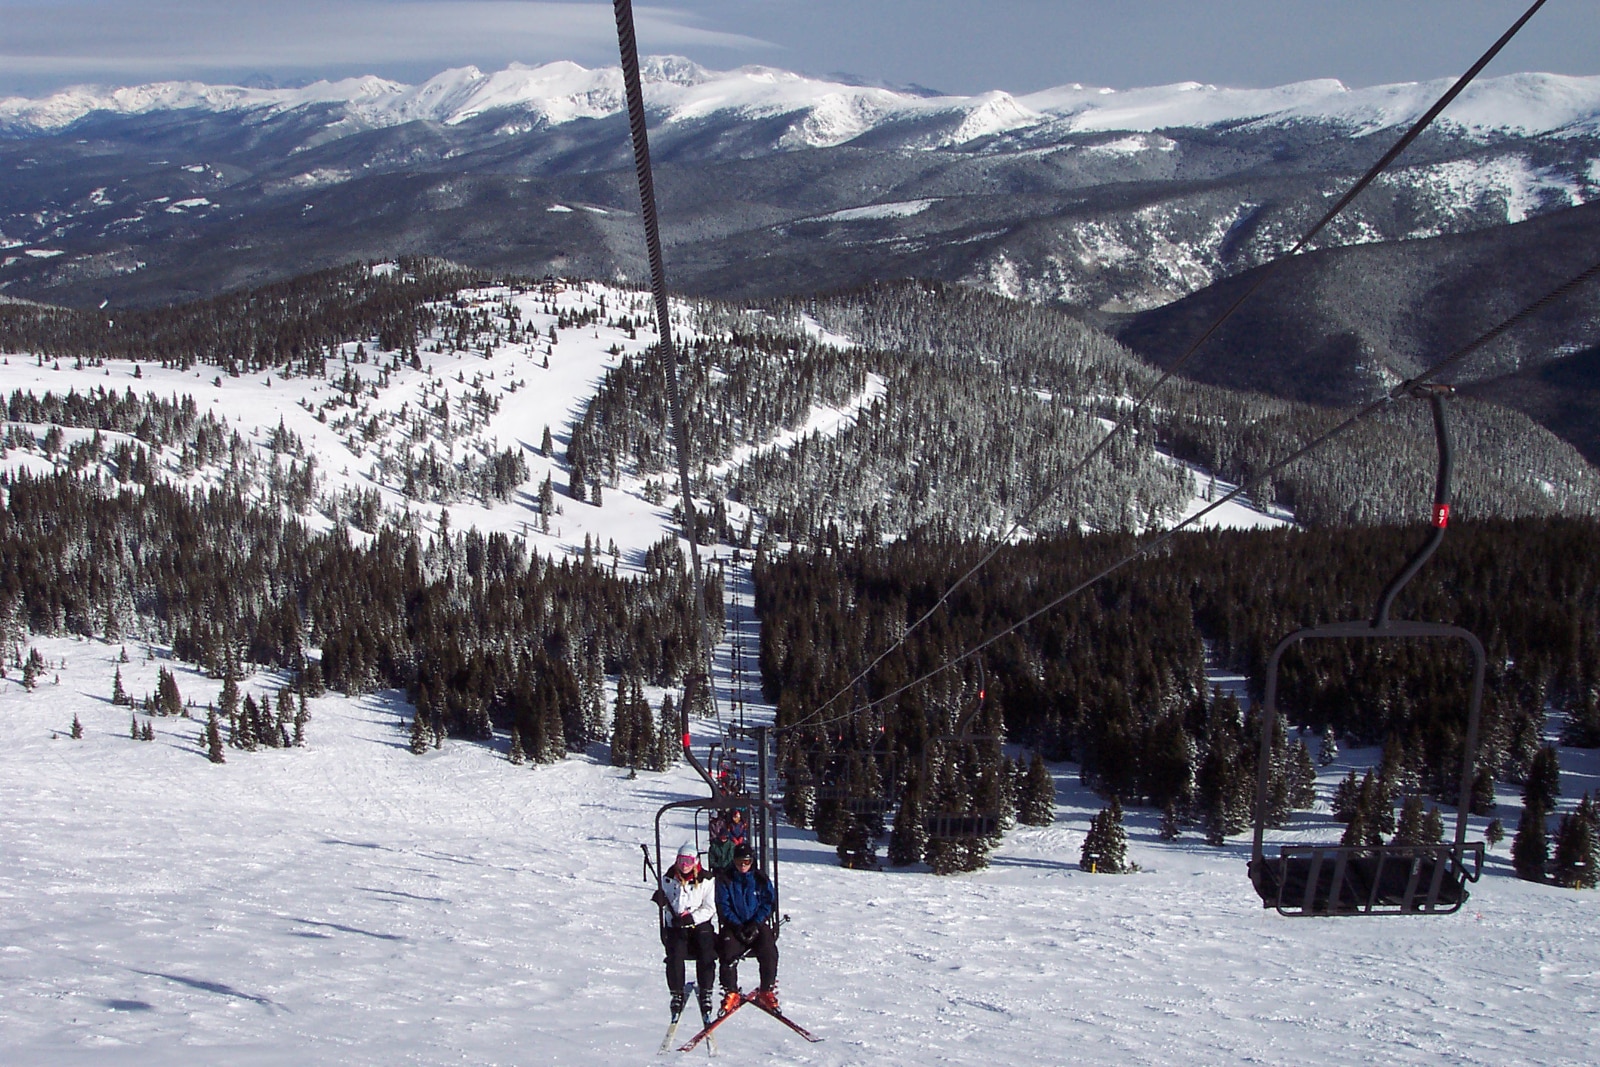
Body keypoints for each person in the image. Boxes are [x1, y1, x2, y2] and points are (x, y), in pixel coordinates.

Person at [654, 842, 716, 1023]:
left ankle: (706, 991)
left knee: (706, 952)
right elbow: (669, 903)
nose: (684, 865)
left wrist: (692, 918)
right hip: (676, 925)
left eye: (688, 861)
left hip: (699, 924)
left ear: (695, 861)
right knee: (675, 955)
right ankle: (676, 992)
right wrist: (663, 904)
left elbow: (710, 907)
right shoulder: (669, 878)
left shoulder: (706, 879)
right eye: (681, 860)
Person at [715, 843, 779, 1012]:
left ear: (752, 861)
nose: (742, 866)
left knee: (768, 950)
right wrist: (736, 926)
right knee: (727, 950)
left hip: (755, 924)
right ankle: (730, 991)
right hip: (734, 925)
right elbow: (723, 905)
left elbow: (768, 902)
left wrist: (756, 924)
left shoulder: (760, 879)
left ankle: (767, 989)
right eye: (738, 862)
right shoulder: (726, 879)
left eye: (746, 862)